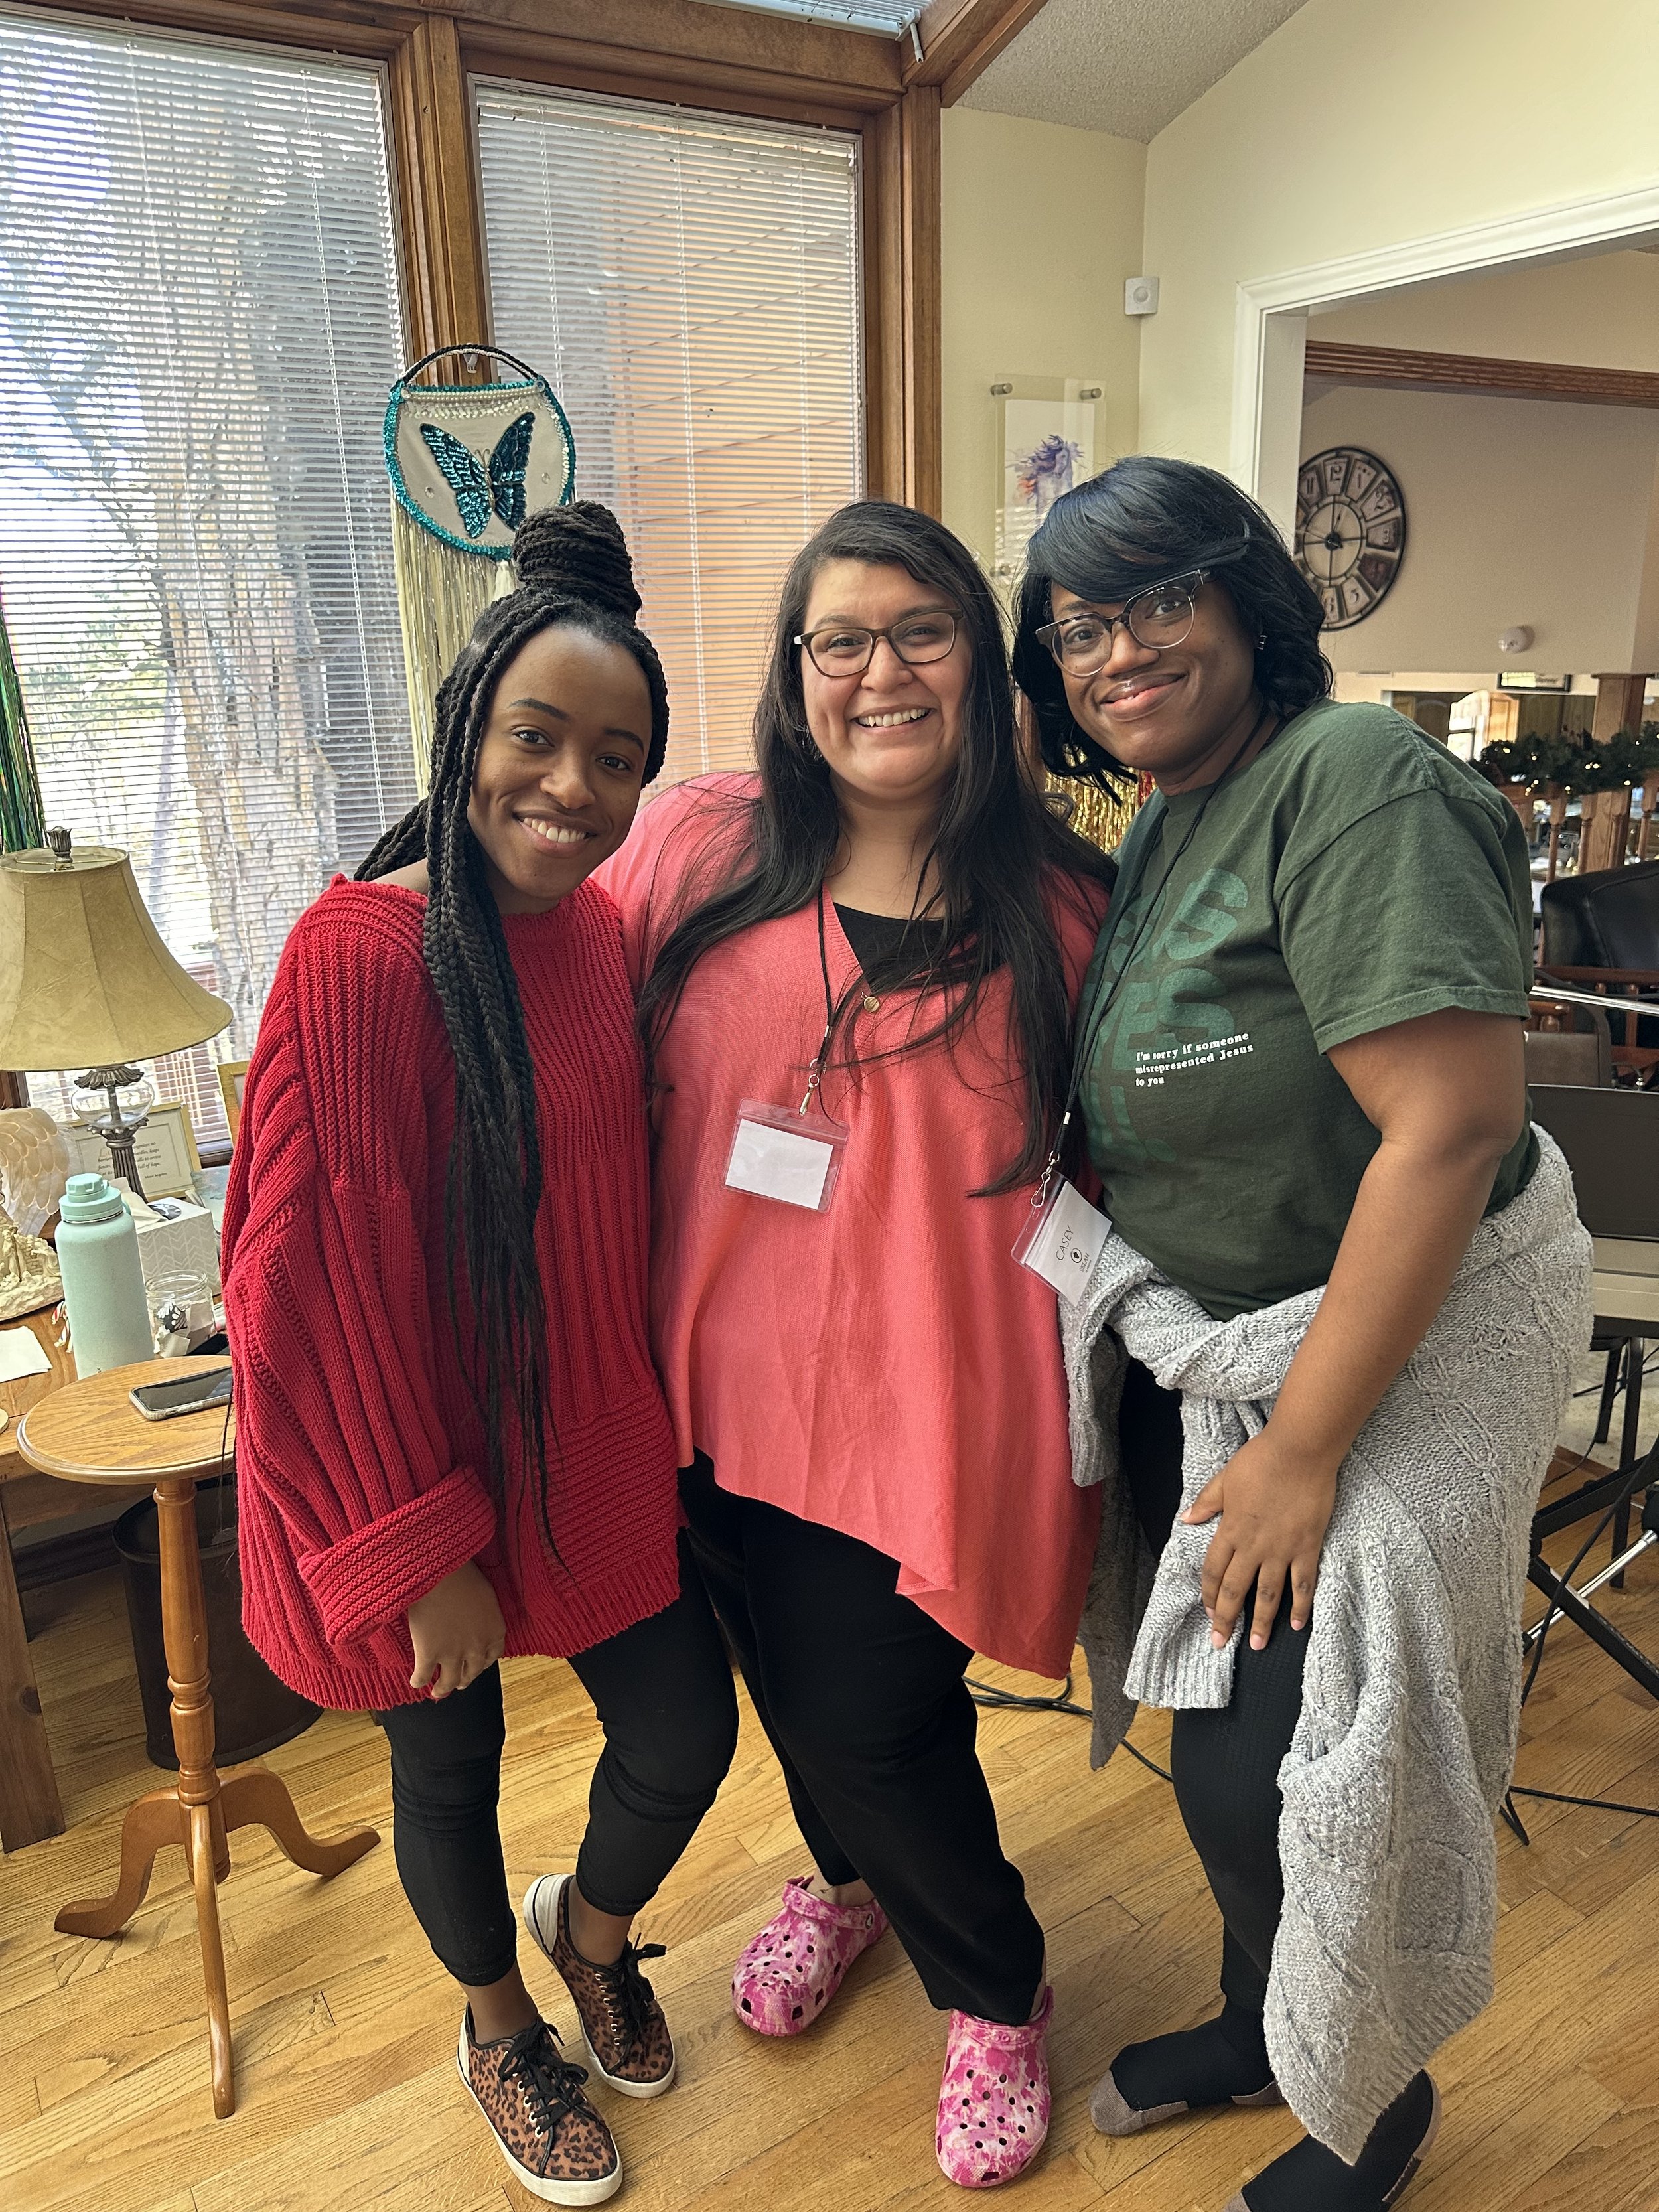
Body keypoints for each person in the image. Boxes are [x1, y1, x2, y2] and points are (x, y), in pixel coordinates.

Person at [1011, 455, 1593, 2212]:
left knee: (1303, 1747)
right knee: (1228, 1745)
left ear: (1249, 601)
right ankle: (1269, 2024)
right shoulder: (1178, 805)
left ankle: (1367, 2099)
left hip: (1417, 1328)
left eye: (1154, 599)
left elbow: (1448, 1126)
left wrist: (1303, 1450)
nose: (1116, 648)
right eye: (1077, 625)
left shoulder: (1348, 776)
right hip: (1275, 1331)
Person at [222, 504, 740, 2208]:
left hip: (587, 1435)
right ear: (466, 729)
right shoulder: (358, 951)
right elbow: (318, 1279)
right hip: (424, 1466)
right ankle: (498, 2020)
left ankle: (583, 1934)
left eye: (616, 756)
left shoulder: (594, 935)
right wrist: (412, 1546)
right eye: (539, 737)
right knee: (443, 1764)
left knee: (680, 1735)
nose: (573, 787)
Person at [598, 499, 1112, 2190]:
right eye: (839, 639)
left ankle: (994, 1982)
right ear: (795, 671)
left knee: (879, 1717)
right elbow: (535, 961)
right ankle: (846, 1880)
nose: (877, 670)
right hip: (698, 1388)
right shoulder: (698, 844)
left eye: (919, 630)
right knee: (784, 1692)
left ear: (982, 660)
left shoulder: (1063, 915)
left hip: (919, 1411)